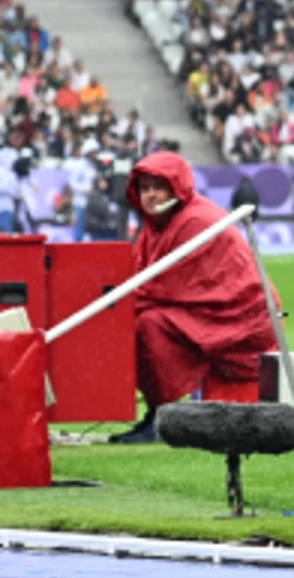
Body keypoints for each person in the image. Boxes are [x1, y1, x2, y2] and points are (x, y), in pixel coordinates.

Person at [106, 152, 280, 444]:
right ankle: (157, 414)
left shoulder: (195, 222)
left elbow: (164, 286)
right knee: (136, 321)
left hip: (242, 321)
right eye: (144, 188)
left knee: (149, 325)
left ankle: (167, 418)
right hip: (205, 313)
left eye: (157, 187)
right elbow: (144, 281)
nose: (149, 195)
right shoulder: (155, 228)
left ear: (176, 187)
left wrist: (115, 304)